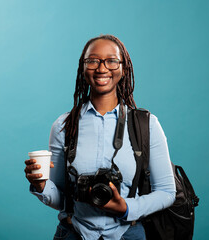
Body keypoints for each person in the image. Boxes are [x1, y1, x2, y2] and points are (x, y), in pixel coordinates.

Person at [24, 34, 176, 240]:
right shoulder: (63, 126)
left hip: (128, 234)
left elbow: (167, 192)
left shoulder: (146, 125)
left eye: (111, 61)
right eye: (93, 60)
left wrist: (126, 207)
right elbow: (61, 199)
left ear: (123, 68)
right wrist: (41, 186)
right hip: (74, 233)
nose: (102, 68)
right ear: (83, 67)